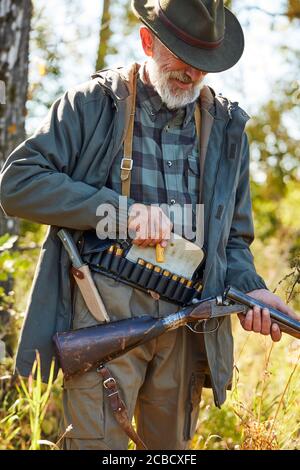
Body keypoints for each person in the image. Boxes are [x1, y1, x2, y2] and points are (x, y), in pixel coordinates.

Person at [0, 0, 296, 451]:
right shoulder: (91, 104)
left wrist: (251, 288)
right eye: (182, 56)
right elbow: (17, 184)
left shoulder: (228, 128)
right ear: (147, 42)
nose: (193, 74)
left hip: (188, 323)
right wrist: (120, 212)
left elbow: (232, 240)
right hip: (101, 313)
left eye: (203, 64)